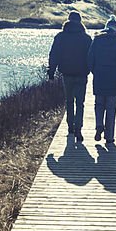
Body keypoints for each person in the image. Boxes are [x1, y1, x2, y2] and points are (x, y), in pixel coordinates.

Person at [48, 10, 91, 142]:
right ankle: (78, 128)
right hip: (82, 75)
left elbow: (54, 54)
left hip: (66, 74)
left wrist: (51, 72)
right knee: (80, 103)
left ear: (68, 20)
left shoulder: (60, 37)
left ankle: (70, 128)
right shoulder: (86, 38)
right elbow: (91, 57)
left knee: (69, 102)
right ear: (80, 21)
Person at [88, 16, 116, 145]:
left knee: (99, 105)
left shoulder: (97, 40)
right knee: (111, 108)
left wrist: (95, 72)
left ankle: (99, 125)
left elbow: (90, 59)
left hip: (99, 77)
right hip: (114, 79)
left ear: (106, 27)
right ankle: (109, 137)